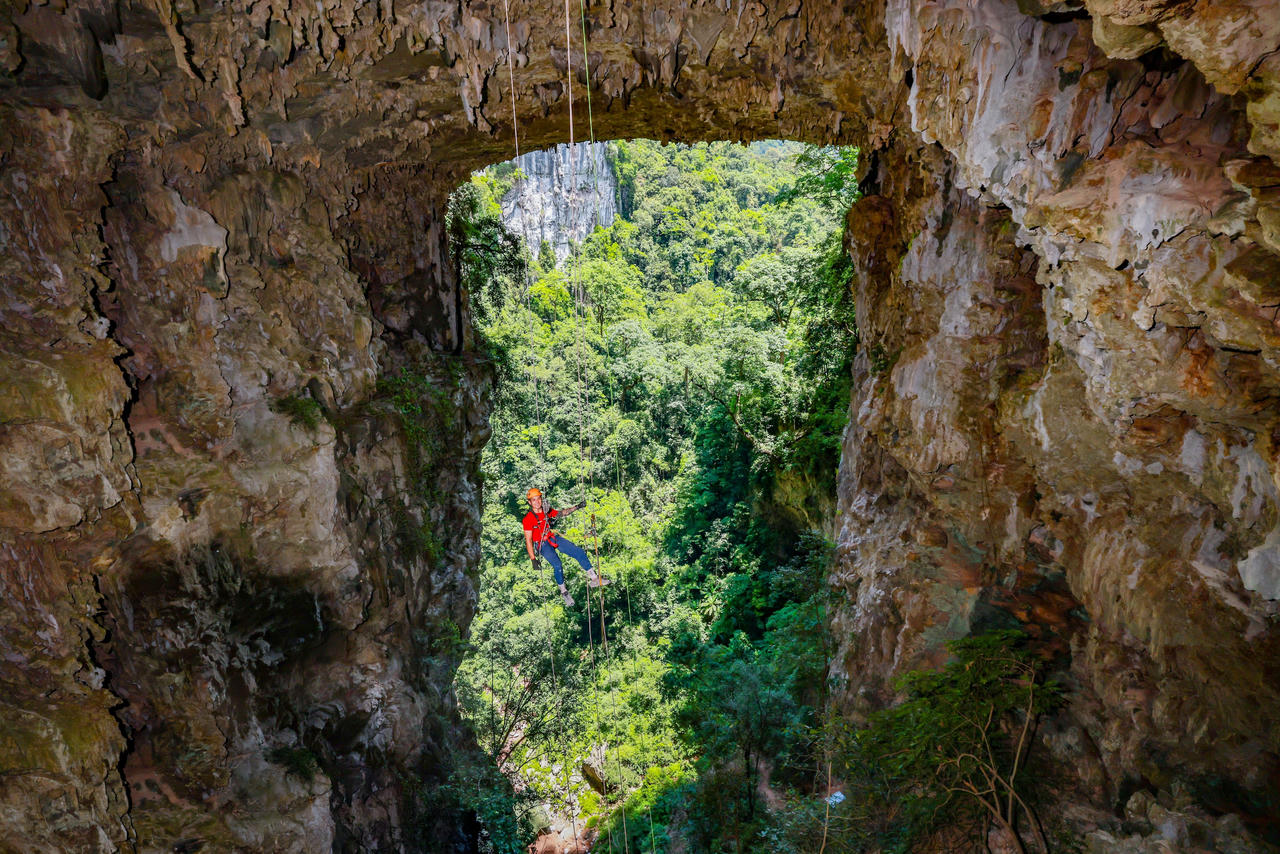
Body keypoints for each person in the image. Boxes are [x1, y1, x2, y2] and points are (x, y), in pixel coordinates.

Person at [523, 487, 609, 606]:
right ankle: (564, 592)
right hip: (542, 544)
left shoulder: (546, 510)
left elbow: (562, 513)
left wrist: (577, 507)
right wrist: (533, 559)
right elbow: (528, 540)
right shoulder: (528, 519)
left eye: (538, 499)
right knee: (557, 565)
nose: (537, 502)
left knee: (578, 552)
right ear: (530, 502)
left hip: (551, 538)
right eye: (534, 500)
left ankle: (594, 578)